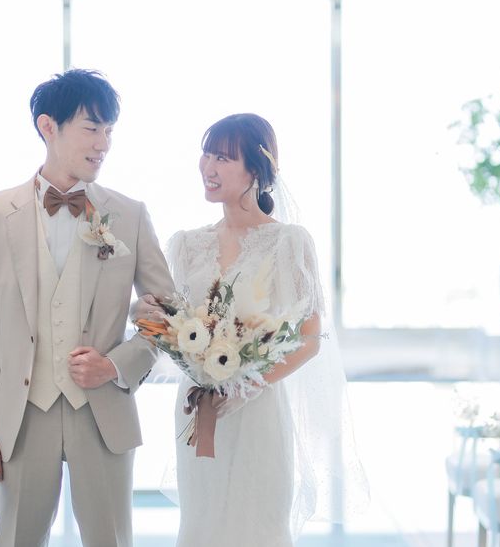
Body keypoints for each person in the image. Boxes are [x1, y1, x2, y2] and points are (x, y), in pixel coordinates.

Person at [0, 68, 175, 546]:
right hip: (19, 416)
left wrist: (115, 365)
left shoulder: (129, 214)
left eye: (109, 131)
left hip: (103, 413)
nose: (103, 144)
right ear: (48, 126)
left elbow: (167, 315)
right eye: (92, 128)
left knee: (110, 539)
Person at [135, 113, 368, 547]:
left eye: (223, 158)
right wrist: (151, 320)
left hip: (258, 410)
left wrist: (247, 385)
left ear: (256, 171)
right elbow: (174, 325)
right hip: (198, 408)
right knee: (202, 527)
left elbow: (310, 339)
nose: (209, 166)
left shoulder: (289, 242)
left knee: (257, 526)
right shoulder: (186, 244)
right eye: (206, 154)